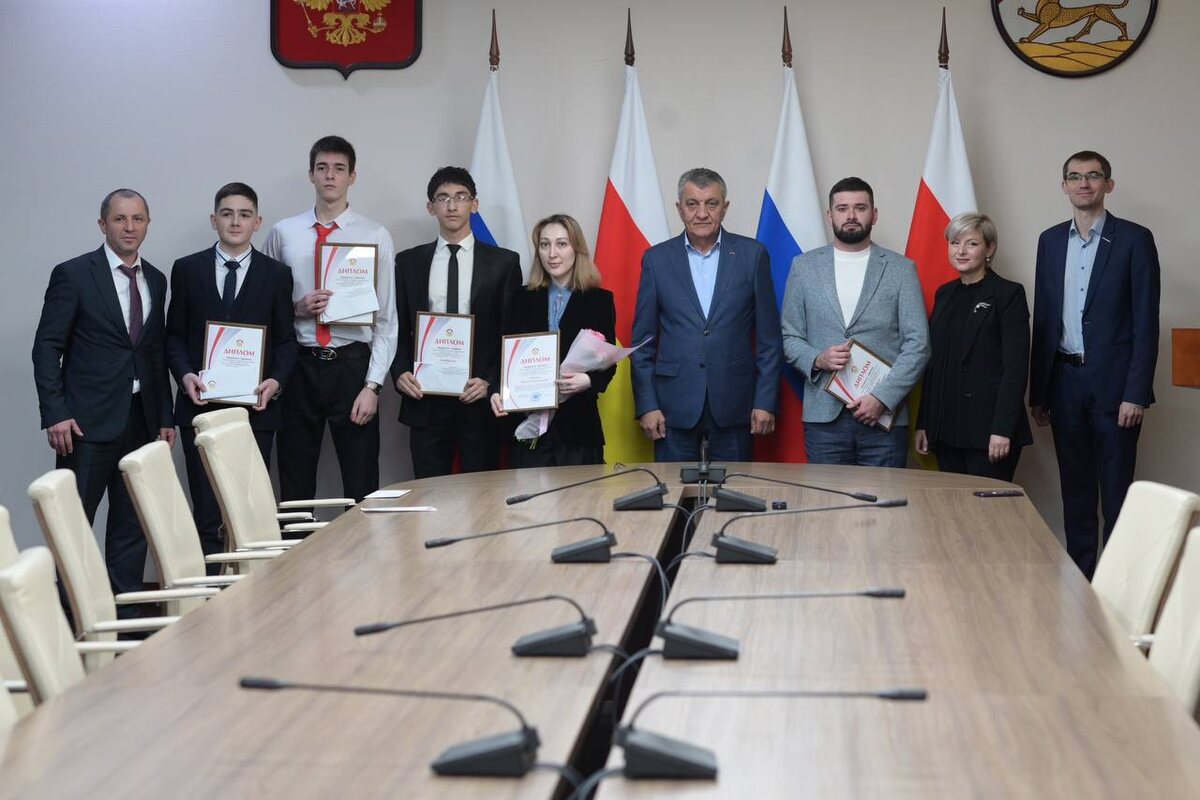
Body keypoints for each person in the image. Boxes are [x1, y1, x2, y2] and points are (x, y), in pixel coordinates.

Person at [31, 189, 176, 603]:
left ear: (148, 224)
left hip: (141, 419)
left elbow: (153, 352)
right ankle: (72, 620)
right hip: (84, 423)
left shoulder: (156, 279)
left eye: (137, 219)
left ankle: (125, 623)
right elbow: (47, 348)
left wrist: (164, 416)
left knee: (132, 525)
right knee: (74, 524)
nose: (129, 227)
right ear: (102, 225)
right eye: (119, 219)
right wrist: (55, 413)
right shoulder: (74, 274)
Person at [1029, 150, 1160, 578]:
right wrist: (1039, 391)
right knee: (1077, 495)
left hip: (1116, 390)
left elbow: (1146, 322)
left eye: (1093, 175)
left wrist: (1135, 393)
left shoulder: (1135, 239)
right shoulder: (1050, 241)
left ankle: (1120, 589)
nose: (1083, 183)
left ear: (1108, 184)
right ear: (1064, 185)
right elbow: (1045, 319)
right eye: (1075, 176)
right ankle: (1080, 586)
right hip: (1064, 384)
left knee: (1118, 497)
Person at [166, 182, 297, 561]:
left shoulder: (277, 274)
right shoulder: (187, 269)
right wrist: (185, 375)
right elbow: (173, 335)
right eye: (227, 214)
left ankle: (252, 590)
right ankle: (211, 591)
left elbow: (286, 341)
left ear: (257, 222)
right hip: (200, 406)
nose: (235, 221)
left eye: (244, 214)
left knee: (251, 512)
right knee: (207, 513)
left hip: (257, 410)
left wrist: (276, 381)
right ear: (214, 220)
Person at [263, 135, 396, 503]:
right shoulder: (284, 233)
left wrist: (373, 386)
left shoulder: (375, 234)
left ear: (352, 176)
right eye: (322, 168)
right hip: (298, 367)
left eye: (339, 169)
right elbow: (265, 305)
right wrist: (296, 309)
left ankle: (363, 544)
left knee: (361, 482)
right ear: (311, 174)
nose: (330, 176)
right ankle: (298, 543)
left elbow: (387, 319)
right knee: (294, 481)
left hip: (351, 367)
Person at [631, 167, 781, 461]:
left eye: (711, 203)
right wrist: (648, 405)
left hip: (736, 404)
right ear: (679, 209)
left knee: (735, 489)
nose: (701, 213)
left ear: (725, 208)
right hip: (672, 408)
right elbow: (642, 344)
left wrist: (765, 401)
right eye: (692, 204)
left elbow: (769, 340)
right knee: (673, 490)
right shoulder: (656, 260)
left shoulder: (752, 255)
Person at [780, 176, 929, 467]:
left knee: (885, 497)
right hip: (824, 421)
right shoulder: (804, 267)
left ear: (874, 214)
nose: (851, 215)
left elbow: (918, 344)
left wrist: (883, 398)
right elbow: (790, 337)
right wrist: (817, 359)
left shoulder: (901, 269)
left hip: (883, 419)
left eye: (860, 208)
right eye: (842, 208)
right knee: (827, 497)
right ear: (829, 215)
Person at [392, 166, 522, 478]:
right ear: (431, 207)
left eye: (461, 197)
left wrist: (490, 381)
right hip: (425, 397)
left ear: (474, 204)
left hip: (477, 395)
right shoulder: (408, 262)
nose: (452, 205)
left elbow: (511, 332)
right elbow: (396, 327)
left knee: (482, 494)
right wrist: (399, 372)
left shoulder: (504, 263)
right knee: (429, 491)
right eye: (443, 198)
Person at [489, 214, 617, 466]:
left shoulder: (599, 300)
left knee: (581, 493)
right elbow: (501, 356)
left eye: (561, 244)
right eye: (544, 245)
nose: (552, 254)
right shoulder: (519, 298)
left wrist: (588, 381)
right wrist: (496, 391)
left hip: (577, 429)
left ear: (576, 249)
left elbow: (609, 364)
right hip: (527, 428)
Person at [915, 213, 1032, 481]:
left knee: (987, 506)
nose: (961, 251)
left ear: (989, 249)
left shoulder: (1008, 294)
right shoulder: (944, 293)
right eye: (955, 243)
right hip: (945, 429)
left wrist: (1002, 429)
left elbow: (1015, 369)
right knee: (951, 505)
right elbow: (934, 365)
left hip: (990, 431)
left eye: (972, 243)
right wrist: (924, 423)